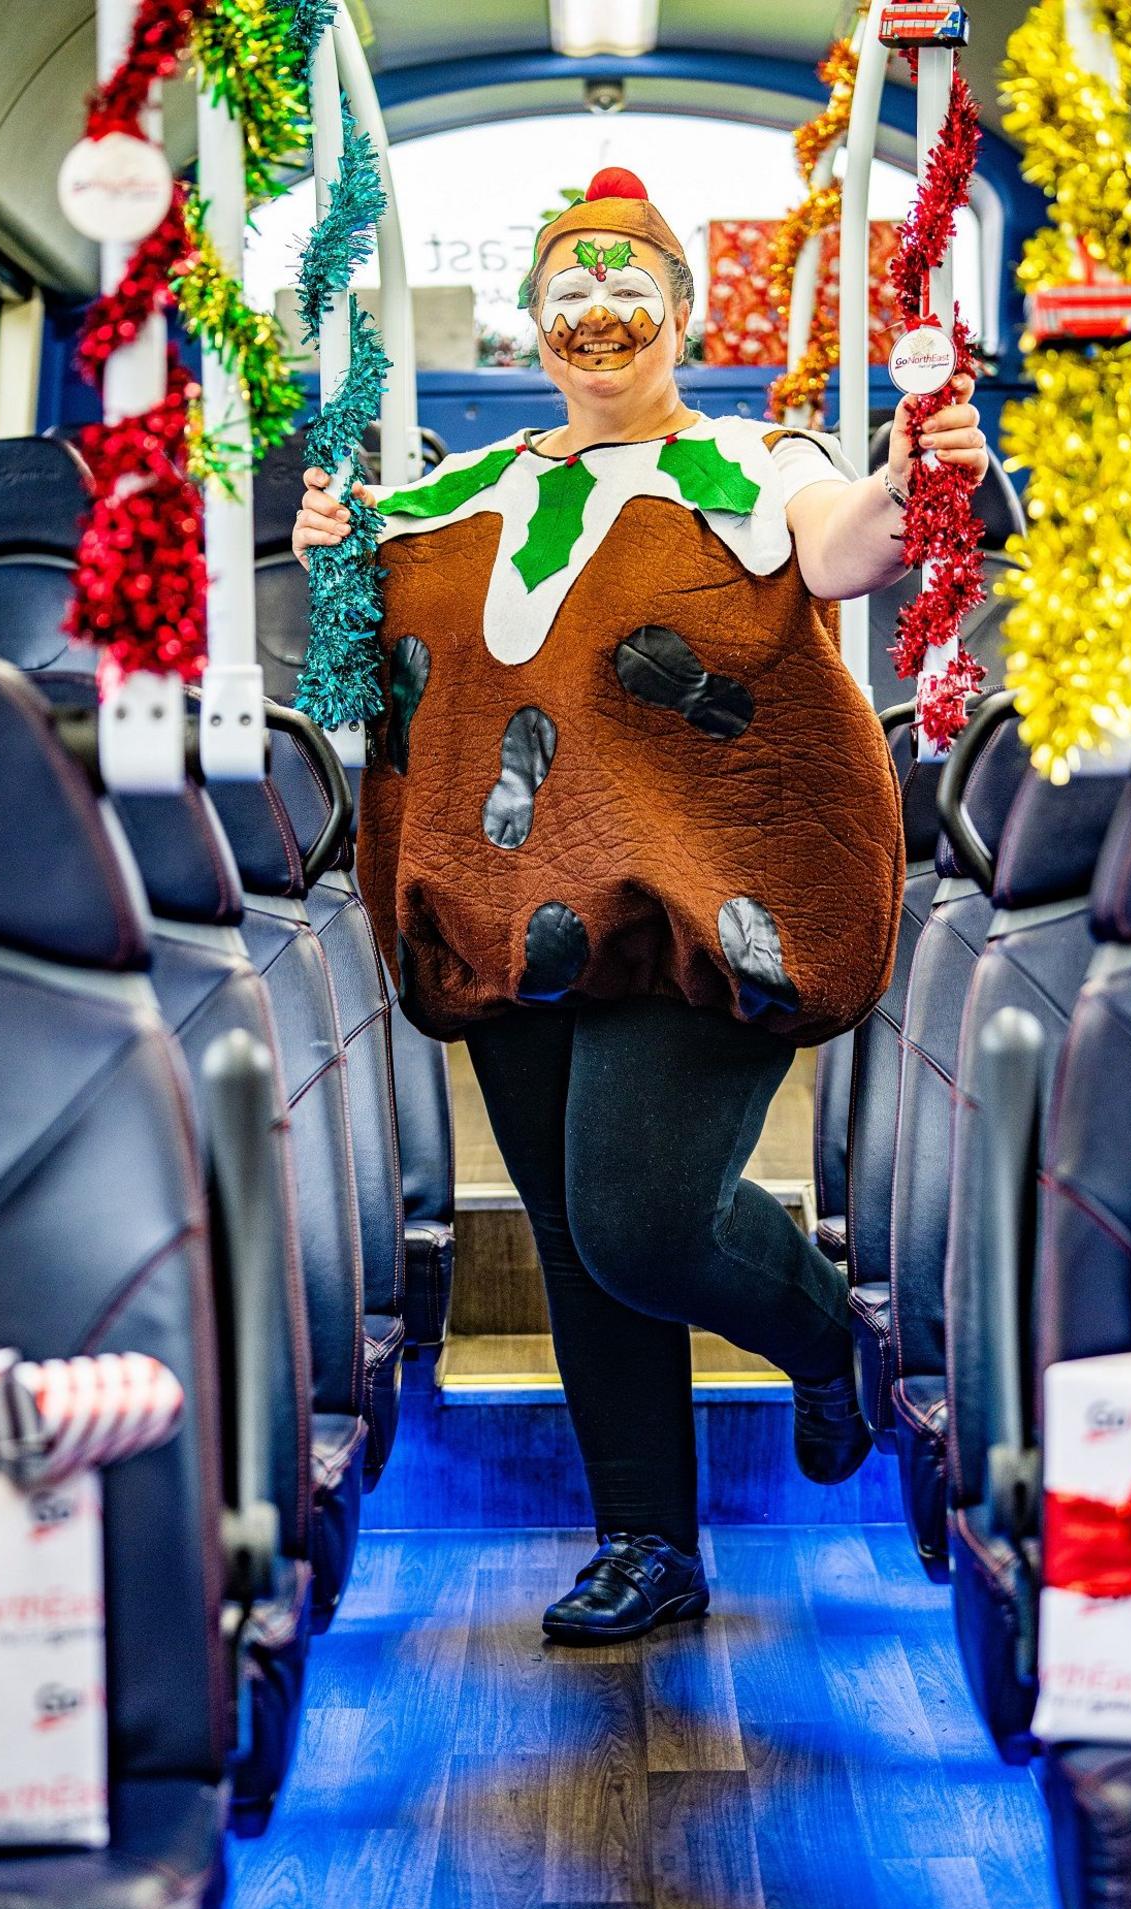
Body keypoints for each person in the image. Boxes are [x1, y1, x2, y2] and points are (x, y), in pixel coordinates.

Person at [293, 167, 989, 1645]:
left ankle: (820, 1337)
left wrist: (919, 477)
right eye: (570, 289)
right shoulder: (462, 494)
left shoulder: (755, 460)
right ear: (535, 321)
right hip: (516, 905)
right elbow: (363, 622)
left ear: (675, 311)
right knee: (570, 1236)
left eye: (628, 286)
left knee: (638, 1224)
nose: (598, 311)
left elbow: (849, 544)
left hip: (720, 894)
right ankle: (648, 1546)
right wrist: (324, 545)